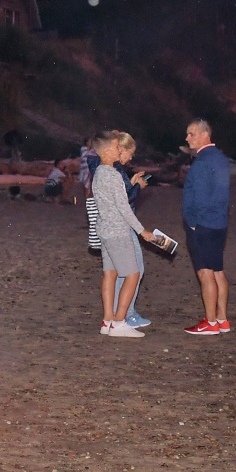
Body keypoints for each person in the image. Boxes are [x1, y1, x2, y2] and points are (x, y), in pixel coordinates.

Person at [91, 130, 156, 338]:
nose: (120, 150)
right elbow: (124, 208)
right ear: (107, 151)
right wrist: (142, 231)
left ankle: (108, 320)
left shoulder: (99, 172)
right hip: (118, 231)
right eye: (117, 147)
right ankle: (119, 321)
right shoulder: (112, 175)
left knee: (109, 274)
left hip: (104, 230)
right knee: (132, 274)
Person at [181, 119, 232, 335]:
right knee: (217, 271)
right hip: (219, 223)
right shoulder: (220, 158)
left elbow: (200, 197)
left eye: (191, 134)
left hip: (204, 224)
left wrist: (192, 221)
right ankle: (222, 319)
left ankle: (210, 322)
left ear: (205, 134)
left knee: (205, 273)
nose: (187, 138)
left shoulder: (202, 161)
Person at [113, 133, 152, 328]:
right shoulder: (116, 170)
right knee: (133, 269)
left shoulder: (112, 170)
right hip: (123, 224)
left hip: (117, 225)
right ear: (121, 149)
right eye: (131, 152)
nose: (131, 157)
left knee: (123, 271)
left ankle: (118, 312)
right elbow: (125, 201)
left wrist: (132, 183)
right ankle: (126, 314)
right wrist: (136, 187)